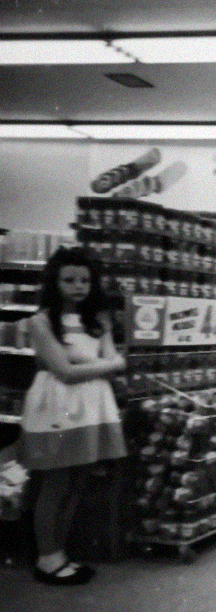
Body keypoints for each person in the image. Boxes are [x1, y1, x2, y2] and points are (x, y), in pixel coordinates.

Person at [18, 247, 127, 585]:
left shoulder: (100, 320)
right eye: (69, 280)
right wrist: (102, 366)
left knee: (79, 480)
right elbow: (64, 372)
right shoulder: (40, 322)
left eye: (85, 280)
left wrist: (87, 366)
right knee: (56, 481)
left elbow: (116, 364)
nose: (78, 286)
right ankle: (48, 559)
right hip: (58, 408)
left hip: (92, 407)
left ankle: (59, 553)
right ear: (54, 282)